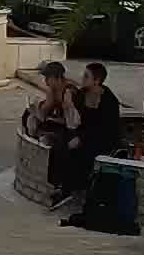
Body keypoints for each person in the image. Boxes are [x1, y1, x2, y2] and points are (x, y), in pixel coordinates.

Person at [51, 62, 123, 203]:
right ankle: (59, 186)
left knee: (81, 152)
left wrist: (82, 139)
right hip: (82, 133)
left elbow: (106, 128)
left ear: (97, 81)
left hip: (102, 138)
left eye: (86, 76)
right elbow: (74, 119)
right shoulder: (81, 95)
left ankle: (69, 189)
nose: (82, 79)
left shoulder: (109, 101)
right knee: (60, 144)